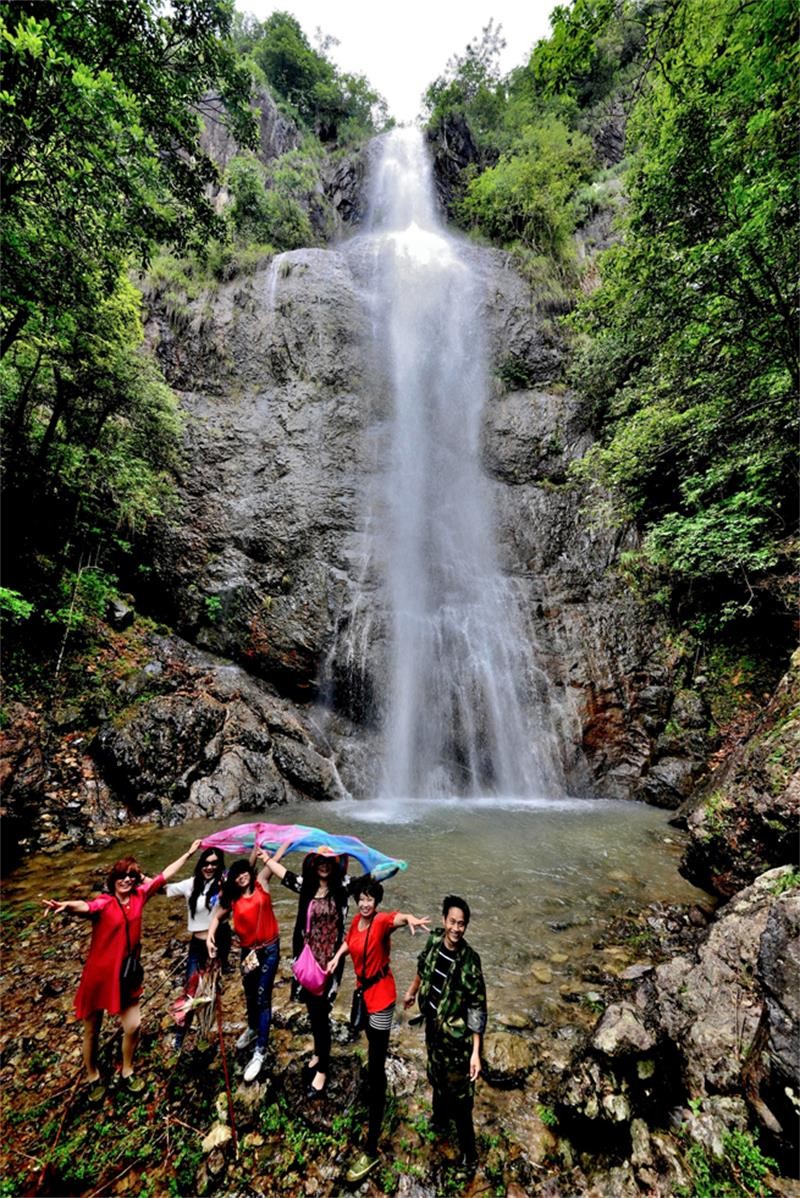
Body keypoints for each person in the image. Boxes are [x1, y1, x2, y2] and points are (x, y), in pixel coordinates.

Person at [43, 839, 204, 1095]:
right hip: (100, 975)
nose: (127, 880)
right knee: (92, 1030)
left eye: (131, 876)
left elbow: (164, 875)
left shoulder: (140, 896)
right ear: (113, 879)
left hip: (126, 975)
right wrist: (66, 906)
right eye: (122, 876)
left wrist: (188, 853)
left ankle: (127, 1068)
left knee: (133, 1025)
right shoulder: (105, 903)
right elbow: (86, 906)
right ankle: (92, 1074)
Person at [327, 879, 430, 1183]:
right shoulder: (357, 921)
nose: (365, 903)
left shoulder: (381, 921)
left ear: (377, 901)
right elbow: (350, 941)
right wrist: (337, 956)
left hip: (382, 998)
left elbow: (397, 919)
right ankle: (377, 1083)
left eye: (370, 899)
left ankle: (371, 1146)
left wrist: (410, 919)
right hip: (363, 993)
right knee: (373, 1046)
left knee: (375, 1061)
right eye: (361, 898)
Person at [264, 844, 366, 1098]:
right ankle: (320, 1053)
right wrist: (267, 856)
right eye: (320, 860)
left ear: (335, 865)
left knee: (322, 1015)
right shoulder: (307, 886)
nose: (324, 864)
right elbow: (283, 875)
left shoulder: (342, 887)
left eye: (329, 860)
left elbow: (369, 881)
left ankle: (323, 1069)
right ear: (313, 863)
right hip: (309, 958)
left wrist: (387, 865)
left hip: (331, 962)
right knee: (313, 1011)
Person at [403, 895, 487, 1173]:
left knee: (461, 1097)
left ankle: (469, 1154)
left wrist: (476, 1053)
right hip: (433, 1030)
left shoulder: (470, 961)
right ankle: (439, 1122)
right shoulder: (434, 941)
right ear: (443, 921)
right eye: (452, 921)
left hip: (457, 1040)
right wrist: (411, 992)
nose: (456, 928)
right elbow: (421, 967)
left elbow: (477, 1007)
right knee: (435, 1076)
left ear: (465, 927)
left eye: (461, 924)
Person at [206, 842, 286, 1083]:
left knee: (263, 996)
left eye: (244, 873)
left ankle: (260, 1050)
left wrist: (285, 841)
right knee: (250, 994)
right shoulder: (232, 898)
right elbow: (217, 916)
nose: (242, 877)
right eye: (237, 874)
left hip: (270, 950)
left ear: (250, 874)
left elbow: (271, 864)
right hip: (248, 952)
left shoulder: (262, 883)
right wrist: (210, 935)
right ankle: (253, 1028)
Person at [164, 846, 230, 1047]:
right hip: (196, 944)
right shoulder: (190, 885)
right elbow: (162, 888)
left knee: (210, 991)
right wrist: (139, 878)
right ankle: (180, 1037)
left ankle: (206, 1034)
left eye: (214, 864)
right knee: (191, 990)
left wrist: (256, 848)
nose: (209, 867)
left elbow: (248, 873)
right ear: (201, 864)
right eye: (206, 863)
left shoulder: (224, 884)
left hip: (220, 942)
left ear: (219, 866)